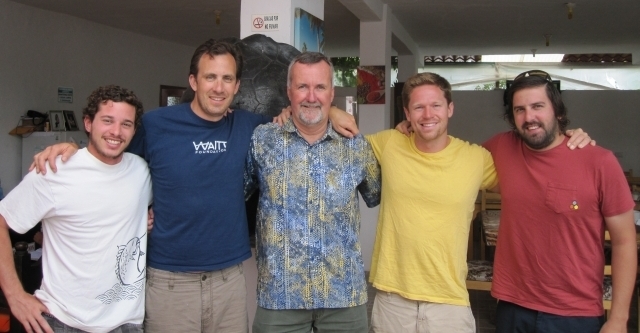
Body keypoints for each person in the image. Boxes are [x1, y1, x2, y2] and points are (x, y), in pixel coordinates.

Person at [31, 39, 358, 333]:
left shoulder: (251, 128)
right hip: (170, 283)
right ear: (193, 81)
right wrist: (74, 150)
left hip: (230, 282)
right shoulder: (156, 125)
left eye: (227, 79)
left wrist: (334, 110)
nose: (218, 87)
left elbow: (300, 114)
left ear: (237, 86)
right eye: (210, 77)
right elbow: (109, 154)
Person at [371, 72, 594, 332]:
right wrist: (334, 112)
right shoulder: (388, 144)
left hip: (450, 302)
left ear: (450, 109)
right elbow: (340, 143)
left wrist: (564, 137)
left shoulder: (475, 158)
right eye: (418, 107)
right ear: (407, 114)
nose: (428, 114)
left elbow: (531, 167)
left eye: (436, 105)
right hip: (392, 299)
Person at [484, 70, 637, 333]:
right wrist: (409, 130)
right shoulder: (500, 147)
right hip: (512, 306)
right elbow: (449, 154)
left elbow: (624, 241)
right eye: (519, 109)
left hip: (575, 313)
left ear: (558, 111)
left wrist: (619, 318)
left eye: (538, 106)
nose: (529, 117)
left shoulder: (599, 161)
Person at [245, 52, 381, 332]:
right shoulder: (262, 140)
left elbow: (377, 194)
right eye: (302, 87)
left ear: (332, 92)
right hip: (279, 297)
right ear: (288, 92)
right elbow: (232, 193)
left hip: (344, 295)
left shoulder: (356, 146)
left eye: (319, 87)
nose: (311, 95)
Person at [0, 85, 152, 332]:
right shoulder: (55, 172)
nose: (116, 131)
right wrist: (15, 296)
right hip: (64, 322)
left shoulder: (141, 170)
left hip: (127, 323)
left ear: (134, 130)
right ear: (88, 123)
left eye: (126, 124)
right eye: (107, 120)